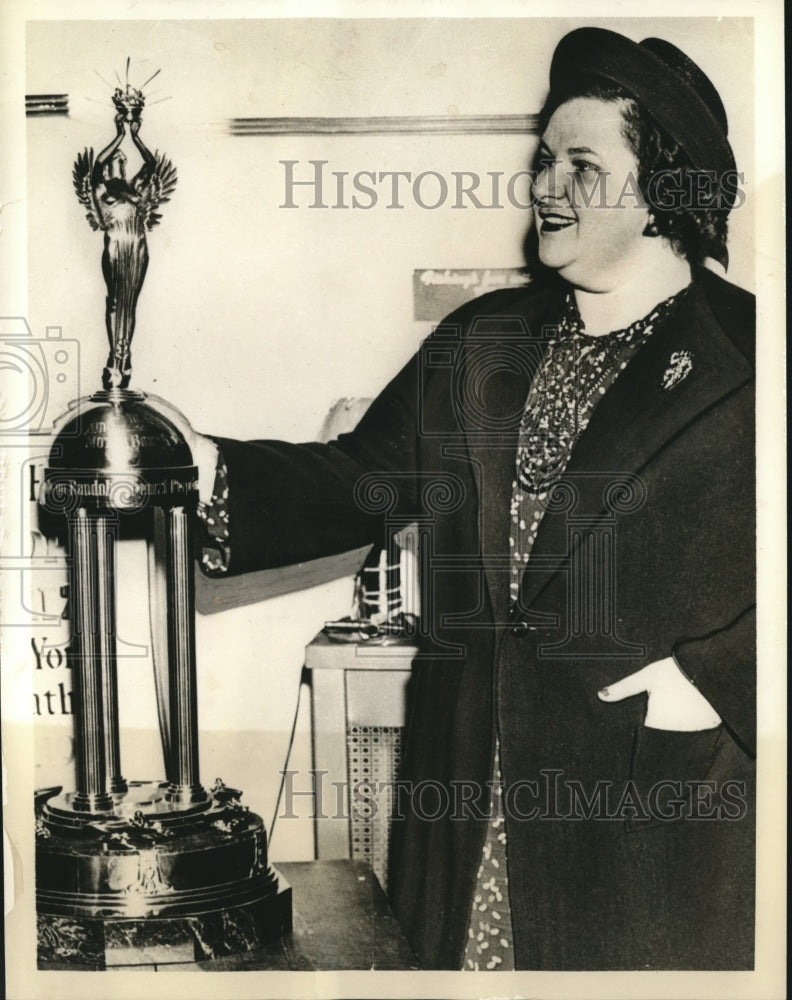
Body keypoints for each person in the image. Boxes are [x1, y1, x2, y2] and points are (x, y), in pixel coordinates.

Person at [186, 28, 755, 970]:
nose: (543, 186)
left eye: (581, 164)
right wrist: (208, 468)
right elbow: (353, 481)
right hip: (468, 803)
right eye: (543, 160)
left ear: (666, 193)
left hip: (647, 815)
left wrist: (717, 681)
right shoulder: (478, 343)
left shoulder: (753, 358)